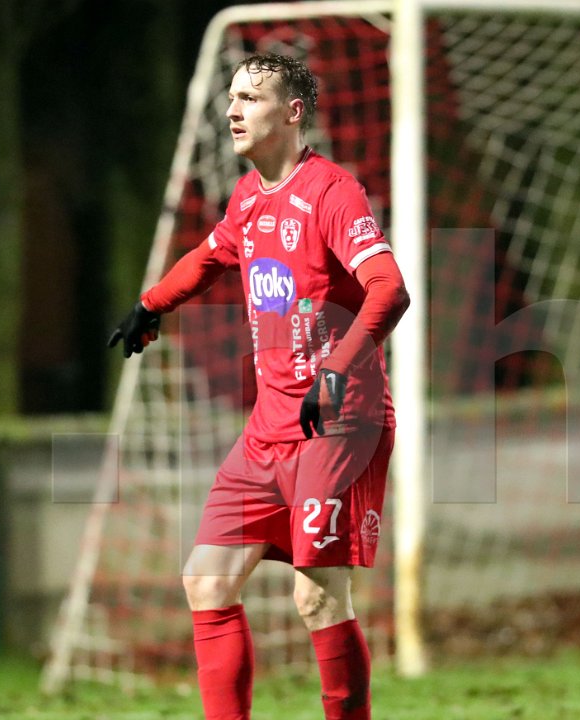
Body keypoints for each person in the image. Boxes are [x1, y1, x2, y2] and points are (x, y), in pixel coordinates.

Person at [108, 53, 410, 720]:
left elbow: (389, 290)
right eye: (231, 98)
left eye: (250, 97)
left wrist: (335, 369)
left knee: (317, 596)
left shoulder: (332, 192)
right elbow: (212, 255)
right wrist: (151, 305)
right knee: (207, 580)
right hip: (270, 428)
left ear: (292, 111)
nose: (232, 111)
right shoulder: (248, 195)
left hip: (338, 422)